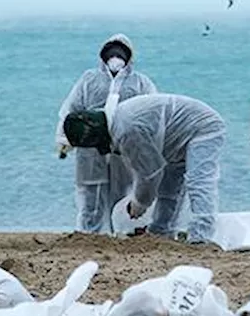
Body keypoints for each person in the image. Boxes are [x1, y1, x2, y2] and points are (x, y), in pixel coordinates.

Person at [63, 94, 226, 244]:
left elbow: (150, 174)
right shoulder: (117, 121)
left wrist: (139, 203)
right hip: (176, 135)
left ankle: (202, 236)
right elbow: (153, 171)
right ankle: (160, 231)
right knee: (168, 189)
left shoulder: (127, 131)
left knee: (199, 181)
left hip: (203, 128)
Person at [56, 34, 158, 233]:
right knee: (90, 193)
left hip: (124, 147)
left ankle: (121, 231)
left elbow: (152, 111)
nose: (115, 58)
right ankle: (88, 233)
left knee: (124, 192)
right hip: (91, 146)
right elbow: (71, 109)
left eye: (120, 53)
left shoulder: (140, 82)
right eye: (112, 53)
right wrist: (63, 137)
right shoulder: (89, 79)